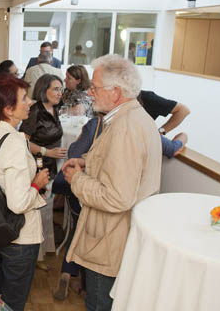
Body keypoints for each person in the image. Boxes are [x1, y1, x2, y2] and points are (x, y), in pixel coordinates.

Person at [62, 54, 162, 311]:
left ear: (115, 92)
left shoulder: (125, 128)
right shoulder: (133, 118)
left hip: (110, 241)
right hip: (116, 237)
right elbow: (119, 164)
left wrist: (77, 179)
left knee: (99, 303)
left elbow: (116, 197)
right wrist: (86, 162)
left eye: (94, 87)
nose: (90, 92)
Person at [0, 75, 50, 311]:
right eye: (24, 98)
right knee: (13, 302)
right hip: (18, 236)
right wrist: (36, 183)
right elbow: (17, 204)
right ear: (8, 109)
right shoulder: (15, 141)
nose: (30, 102)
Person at [20, 74, 67, 179]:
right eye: (55, 89)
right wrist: (48, 152)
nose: (60, 94)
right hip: (37, 166)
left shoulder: (54, 108)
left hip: (52, 164)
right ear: (43, 90)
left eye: (61, 90)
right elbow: (22, 142)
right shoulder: (34, 112)